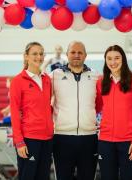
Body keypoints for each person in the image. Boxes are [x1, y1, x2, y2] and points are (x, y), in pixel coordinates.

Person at [51, 41, 101, 180]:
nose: (76, 55)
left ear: (85, 55)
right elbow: (42, 101)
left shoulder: (95, 76)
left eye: (80, 52)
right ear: (67, 54)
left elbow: (100, 104)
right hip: (62, 138)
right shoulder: (54, 75)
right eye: (73, 52)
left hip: (89, 138)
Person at [96, 45, 132, 180]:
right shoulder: (101, 82)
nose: (113, 62)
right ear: (105, 61)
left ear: (123, 59)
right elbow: (95, 107)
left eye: (117, 58)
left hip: (128, 142)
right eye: (109, 58)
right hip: (105, 141)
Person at [10, 42, 53, 180]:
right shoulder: (18, 81)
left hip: (47, 139)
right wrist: (19, 142)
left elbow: (47, 107)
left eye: (41, 54)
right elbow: (15, 112)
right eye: (35, 53)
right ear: (26, 56)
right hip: (29, 140)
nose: (39, 57)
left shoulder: (47, 80)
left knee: (43, 177)